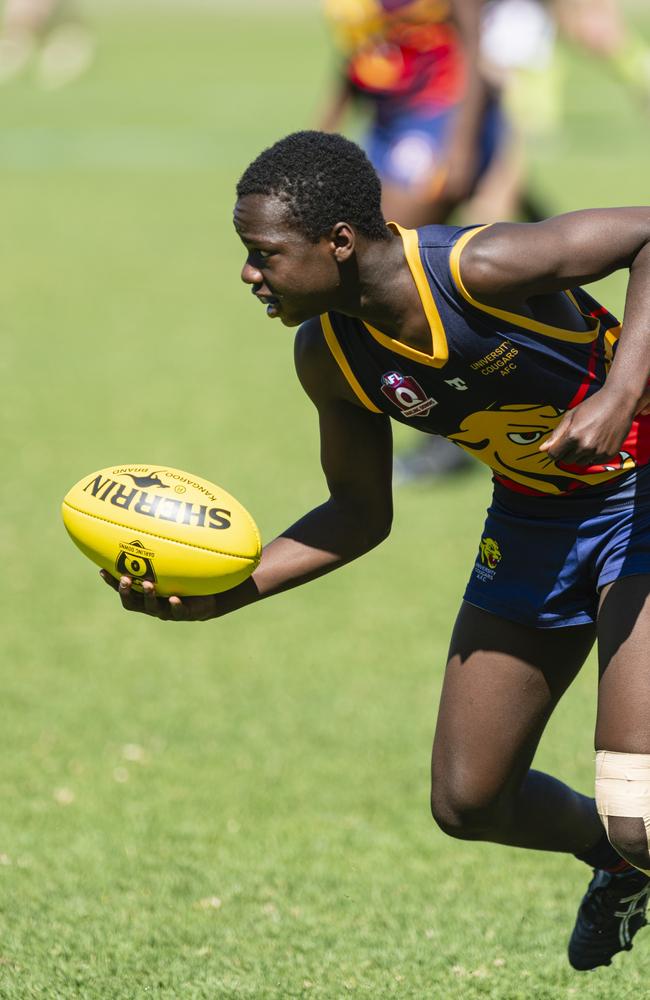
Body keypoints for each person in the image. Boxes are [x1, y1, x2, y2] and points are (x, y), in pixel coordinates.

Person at [102, 130, 650, 970]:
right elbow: (358, 513)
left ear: (341, 242)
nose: (250, 274)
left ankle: (632, 845)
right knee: (470, 801)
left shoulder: (481, 268)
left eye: (264, 254)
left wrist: (621, 392)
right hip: (536, 520)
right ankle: (618, 864)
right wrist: (225, 593)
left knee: (640, 811)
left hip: (641, 490)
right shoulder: (329, 355)